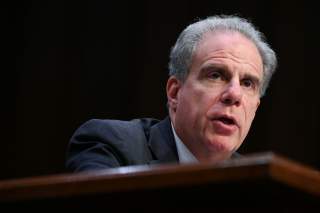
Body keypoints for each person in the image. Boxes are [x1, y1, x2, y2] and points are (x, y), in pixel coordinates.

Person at [66, 15, 277, 172]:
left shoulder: (257, 183)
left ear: (255, 108)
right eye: (216, 75)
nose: (234, 94)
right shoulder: (111, 146)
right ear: (175, 93)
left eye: (247, 83)